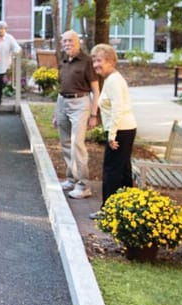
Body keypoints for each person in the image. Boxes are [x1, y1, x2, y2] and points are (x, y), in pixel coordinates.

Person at [89, 43, 137, 220]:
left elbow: (118, 108)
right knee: (123, 170)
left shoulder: (114, 81)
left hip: (121, 131)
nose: (96, 65)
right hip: (124, 129)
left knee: (111, 171)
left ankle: (108, 210)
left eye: (99, 60)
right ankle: (127, 207)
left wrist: (111, 135)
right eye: (94, 61)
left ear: (110, 61)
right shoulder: (111, 79)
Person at [53, 30, 100, 199]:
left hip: (80, 103)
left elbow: (95, 89)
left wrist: (94, 114)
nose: (67, 44)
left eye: (70, 41)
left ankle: (84, 185)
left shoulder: (86, 61)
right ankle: (71, 178)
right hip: (62, 102)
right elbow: (61, 87)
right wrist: (55, 113)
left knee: (77, 143)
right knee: (65, 142)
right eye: (64, 41)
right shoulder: (63, 60)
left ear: (78, 42)